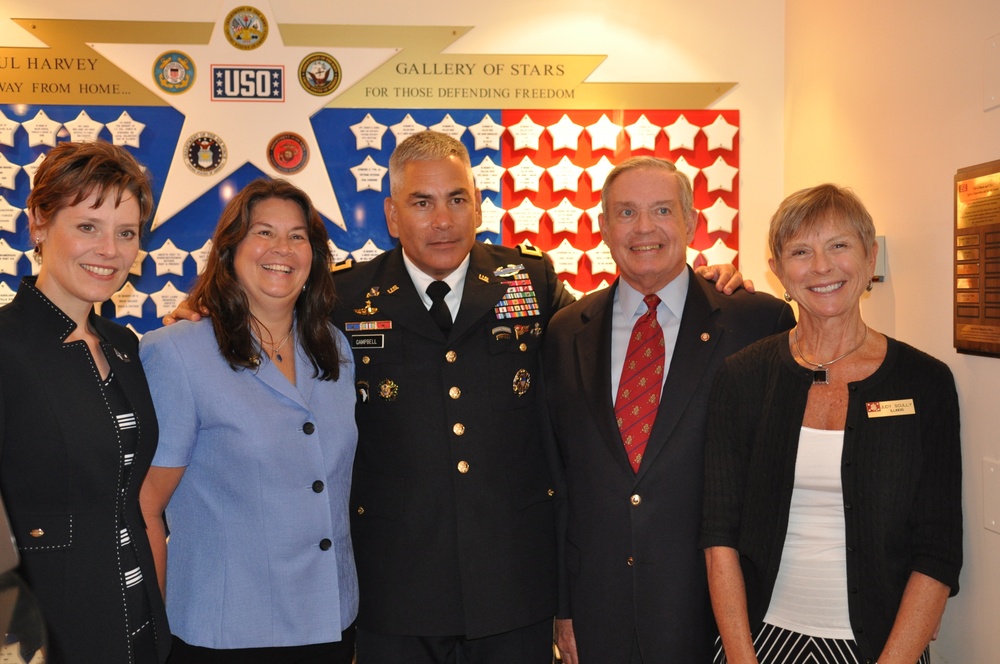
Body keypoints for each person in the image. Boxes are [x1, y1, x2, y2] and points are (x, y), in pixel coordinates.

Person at [166, 131, 746, 663]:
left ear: (477, 205)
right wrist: (206, 312)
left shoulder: (530, 282)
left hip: (513, 592)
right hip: (394, 595)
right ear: (392, 215)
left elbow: (608, 329)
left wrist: (705, 288)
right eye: (421, 202)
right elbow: (266, 320)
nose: (442, 220)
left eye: (458, 199)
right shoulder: (343, 296)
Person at [542, 156, 795, 664]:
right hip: (599, 612)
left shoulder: (755, 321)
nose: (644, 229)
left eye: (661, 210)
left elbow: (776, 476)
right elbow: (559, 480)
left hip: (714, 613)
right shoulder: (566, 330)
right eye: (626, 213)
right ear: (604, 228)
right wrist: (562, 608)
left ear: (692, 222)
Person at [700, 184, 962, 664]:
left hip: (885, 650)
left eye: (839, 245)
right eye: (801, 251)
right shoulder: (741, 377)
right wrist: (741, 659)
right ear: (778, 270)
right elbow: (719, 537)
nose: (821, 266)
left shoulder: (925, 382)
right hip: (757, 644)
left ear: (870, 257)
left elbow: (938, 551)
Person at [138, 179, 358, 663]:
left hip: (327, 623)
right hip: (226, 633)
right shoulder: (177, 351)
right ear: (230, 250)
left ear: (316, 256)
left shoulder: (334, 349)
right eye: (264, 232)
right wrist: (149, 627)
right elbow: (146, 506)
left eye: (298, 236)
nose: (283, 249)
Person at [0, 140, 171, 662]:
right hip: (46, 637)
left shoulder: (124, 345)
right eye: (87, 227)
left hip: (140, 629)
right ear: (38, 224)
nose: (110, 251)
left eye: (126, 234)